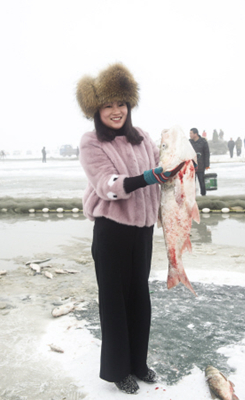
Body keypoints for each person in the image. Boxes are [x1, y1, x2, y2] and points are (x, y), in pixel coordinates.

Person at [76, 63, 172, 394]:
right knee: (114, 301)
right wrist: (146, 178)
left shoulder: (142, 137)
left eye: (121, 104)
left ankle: (138, 363)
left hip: (143, 230)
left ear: (129, 106)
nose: (116, 111)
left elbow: (164, 164)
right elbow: (106, 184)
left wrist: (179, 163)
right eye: (108, 105)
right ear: (97, 110)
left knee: (139, 298)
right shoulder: (92, 143)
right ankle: (118, 370)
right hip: (112, 230)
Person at [189, 128, 210, 196]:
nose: (190, 135)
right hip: (191, 166)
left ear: (196, 134)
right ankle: (192, 196)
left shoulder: (203, 142)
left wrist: (207, 164)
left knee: (202, 181)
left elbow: (207, 154)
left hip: (201, 165)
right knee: (191, 183)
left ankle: (203, 195)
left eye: (191, 133)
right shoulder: (189, 142)